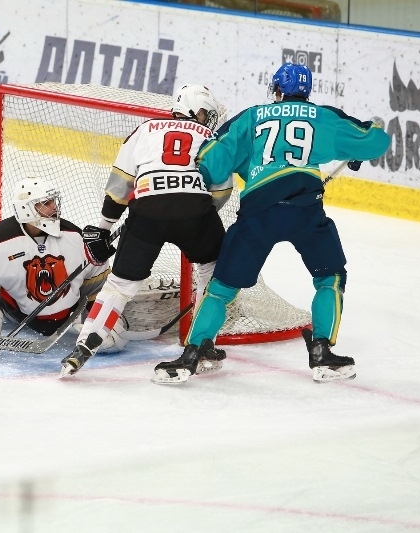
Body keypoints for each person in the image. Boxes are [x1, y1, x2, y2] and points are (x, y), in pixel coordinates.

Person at [153, 62, 392, 384]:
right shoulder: (322, 116)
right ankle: (322, 351)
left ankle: (193, 352)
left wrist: (243, 168)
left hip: (257, 214)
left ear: (277, 90)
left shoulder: (252, 116)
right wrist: (363, 143)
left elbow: (212, 160)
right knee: (330, 278)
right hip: (306, 212)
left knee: (221, 289)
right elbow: (375, 142)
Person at [59, 84, 233, 378]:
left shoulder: (145, 129)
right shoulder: (210, 137)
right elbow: (222, 190)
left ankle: (83, 347)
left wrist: (104, 227)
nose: (208, 119)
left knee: (119, 285)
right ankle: (203, 344)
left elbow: (120, 183)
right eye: (206, 113)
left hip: (147, 211)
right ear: (195, 110)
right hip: (195, 212)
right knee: (213, 271)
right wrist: (196, 212)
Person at [0, 177, 128, 357]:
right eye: (46, 203)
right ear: (26, 208)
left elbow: (96, 278)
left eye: (53, 201)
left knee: (111, 337)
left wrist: (99, 313)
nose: (54, 207)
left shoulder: (74, 236)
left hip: (70, 314)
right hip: (15, 313)